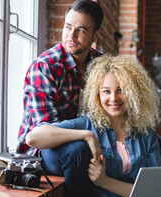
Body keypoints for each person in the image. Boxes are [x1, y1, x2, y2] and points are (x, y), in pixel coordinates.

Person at [26, 55, 161, 197]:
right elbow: (33, 138)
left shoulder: (148, 136)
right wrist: (86, 135)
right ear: (97, 94)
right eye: (106, 91)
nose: (113, 98)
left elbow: (148, 192)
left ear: (133, 92)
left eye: (121, 90)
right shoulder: (87, 124)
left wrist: (104, 181)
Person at [17, 0, 104, 155]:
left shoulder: (101, 64)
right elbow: (45, 131)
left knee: (150, 142)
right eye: (68, 27)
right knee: (78, 151)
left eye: (81, 30)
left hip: (85, 139)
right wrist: (86, 134)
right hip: (43, 149)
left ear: (95, 36)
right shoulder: (44, 67)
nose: (71, 35)